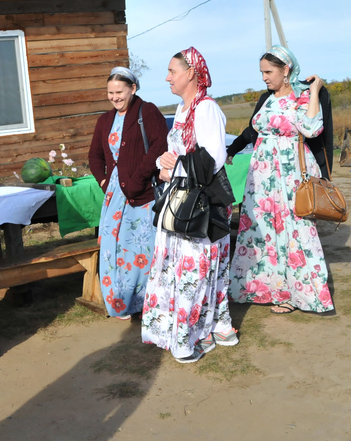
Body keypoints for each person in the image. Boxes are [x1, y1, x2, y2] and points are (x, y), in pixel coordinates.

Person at [140, 47, 237, 363]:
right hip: (180, 200)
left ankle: (189, 337)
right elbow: (172, 153)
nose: (167, 77)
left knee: (198, 271)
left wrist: (174, 167)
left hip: (201, 204)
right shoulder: (182, 110)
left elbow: (214, 157)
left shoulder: (206, 108)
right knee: (187, 270)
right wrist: (163, 162)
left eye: (172, 71)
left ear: (191, 73)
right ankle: (206, 329)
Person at [228, 45, 334, 315]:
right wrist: (231, 150)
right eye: (262, 72)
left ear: (285, 70)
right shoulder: (267, 98)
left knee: (293, 233)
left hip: (290, 175)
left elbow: (312, 128)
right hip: (262, 177)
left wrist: (314, 90)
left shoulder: (302, 97)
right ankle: (266, 289)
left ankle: (297, 295)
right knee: (261, 231)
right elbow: (252, 129)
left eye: (268, 71)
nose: (264, 77)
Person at [88, 66, 168, 318]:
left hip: (142, 194)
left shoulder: (148, 112)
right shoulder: (105, 120)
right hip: (114, 196)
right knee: (114, 249)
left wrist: (136, 180)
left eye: (119, 92)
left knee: (142, 250)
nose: (114, 97)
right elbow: (95, 155)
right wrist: (103, 181)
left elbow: (158, 147)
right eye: (110, 93)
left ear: (133, 89)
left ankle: (148, 302)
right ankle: (120, 302)